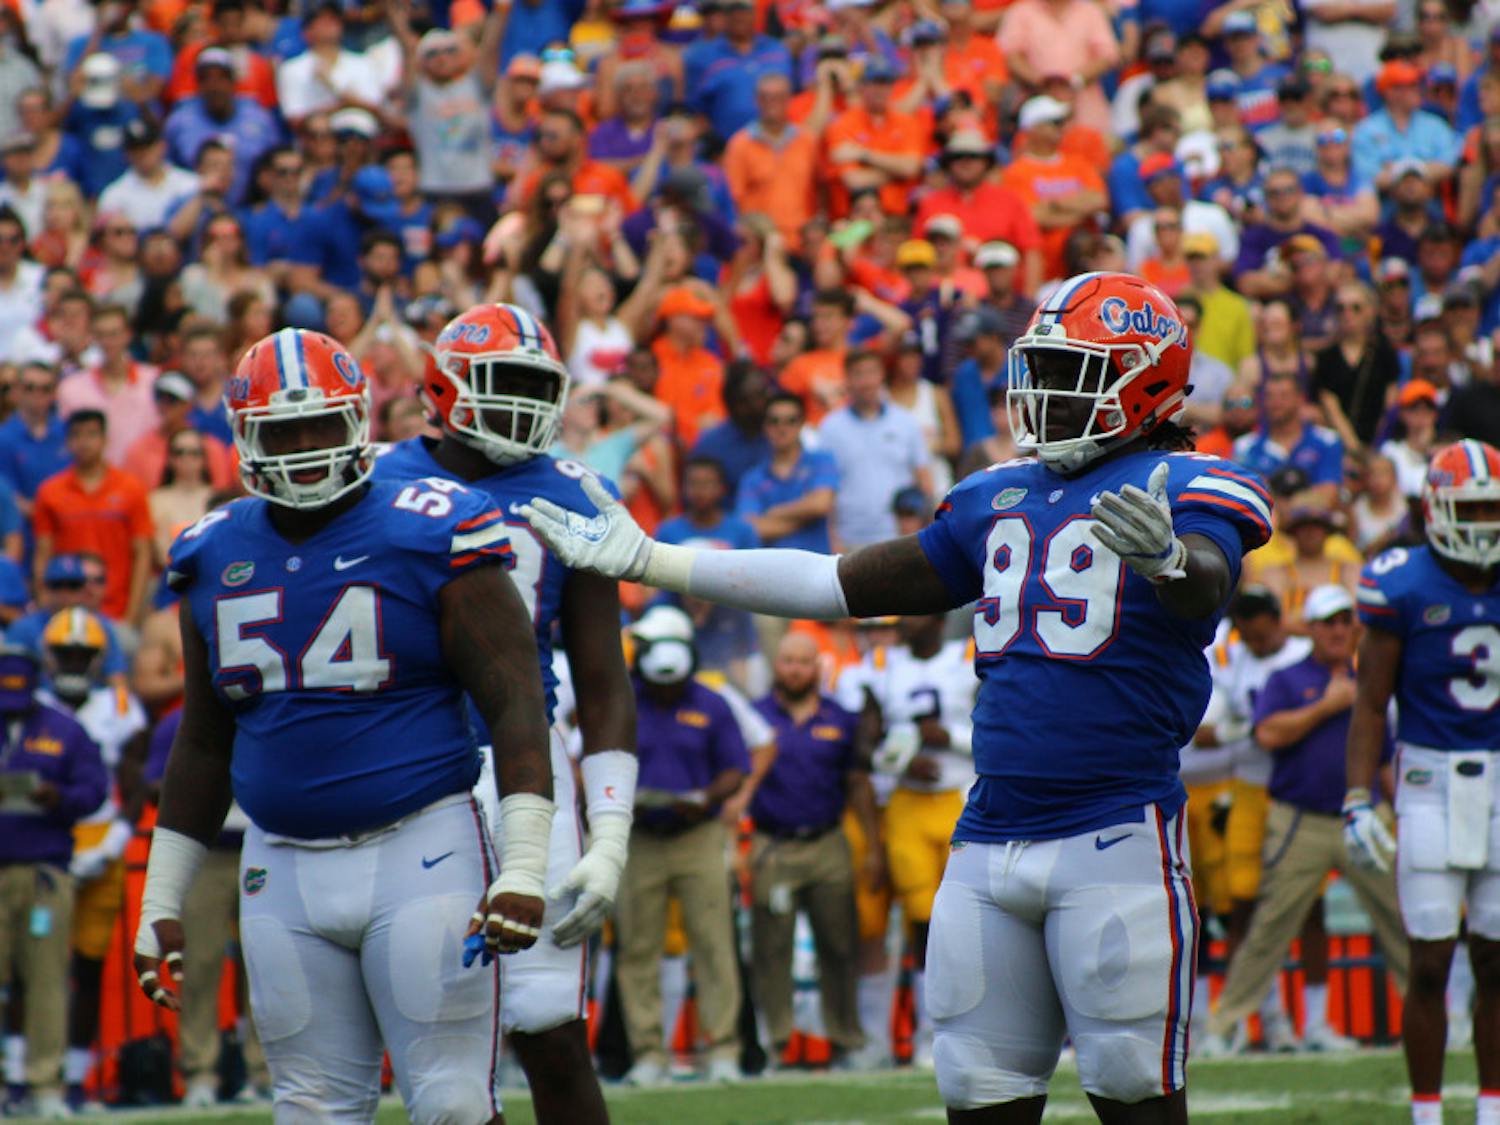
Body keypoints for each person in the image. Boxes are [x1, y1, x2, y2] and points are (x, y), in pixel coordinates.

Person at [521, 272, 1274, 1121]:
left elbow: (1208, 584)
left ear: (1144, 380)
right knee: (976, 1097)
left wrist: (1173, 561)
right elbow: (834, 581)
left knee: (1137, 1099)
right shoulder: (998, 494)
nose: (1045, 391)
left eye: (1075, 370)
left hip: (1117, 832)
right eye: (1045, 367)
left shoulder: (1192, 483)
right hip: (986, 840)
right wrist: (654, 559)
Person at [130, 328, 557, 1124]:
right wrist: (163, 896)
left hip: (422, 847)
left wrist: (524, 863)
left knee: (455, 1106)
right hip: (278, 864)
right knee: (311, 1111)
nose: (301, 448)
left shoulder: (435, 524)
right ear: (244, 439)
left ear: (358, 421)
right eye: (281, 431)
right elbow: (203, 737)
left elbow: (514, 701)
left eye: (321, 425)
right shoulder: (209, 551)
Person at [374, 302, 638, 1125]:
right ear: (445, 388)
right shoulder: (374, 480)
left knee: (550, 1027)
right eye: (504, 383)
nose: (524, 404)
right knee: (438, 1039)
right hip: (409, 768)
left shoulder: (575, 490)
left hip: (522, 766)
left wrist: (612, 830)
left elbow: (601, 678)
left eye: (536, 385)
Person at [1343, 440, 1500, 1125]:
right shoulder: (1401, 581)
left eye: (1494, 507)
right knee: (1431, 960)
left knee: (1497, 962)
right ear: (1435, 509)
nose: (1485, 522)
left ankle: (1493, 1108)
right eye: (1472, 508)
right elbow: (1371, 700)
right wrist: (1356, 796)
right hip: (1431, 780)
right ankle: (1427, 1113)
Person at [1203, 585, 1409, 1053]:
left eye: (1344, 621)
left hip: (1364, 814)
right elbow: (1268, 734)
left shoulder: (1372, 679)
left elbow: (1383, 759)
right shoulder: (1288, 678)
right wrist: (1327, 706)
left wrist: (1400, 814)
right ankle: (1226, 1025)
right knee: (1269, 927)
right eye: (1328, 622)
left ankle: (1432, 1016)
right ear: (1311, 629)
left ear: (1355, 626)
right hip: (1301, 820)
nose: (1337, 630)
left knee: (1401, 921)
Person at [614, 606, 749, 1086]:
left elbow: (736, 766)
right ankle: (649, 1053)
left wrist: (707, 797)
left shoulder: (712, 703)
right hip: (641, 836)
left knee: (713, 943)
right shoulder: (624, 699)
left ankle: (723, 1050)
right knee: (638, 947)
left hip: (698, 834)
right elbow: (597, 758)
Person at [850, 612, 977, 1069]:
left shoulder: (970, 657)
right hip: (908, 804)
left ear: (941, 616)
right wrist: (901, 762)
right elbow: (862, 747)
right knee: (923, 924)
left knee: (974, 923)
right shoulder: (881, 665)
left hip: (963, 798)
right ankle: (930, 1034)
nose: (905, 619)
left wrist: (953, 740)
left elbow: (1007, 729)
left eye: (917, 610)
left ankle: (979, 1033)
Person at [750, 631, 881, 1068]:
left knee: (840, 943)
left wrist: (873, 846)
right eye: (787, 660)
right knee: (772, 947)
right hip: (773, 843)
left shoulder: (840, 718)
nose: (794, 669)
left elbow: (858, 784)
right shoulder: (755, 717)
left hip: (828, 842)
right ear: (776, 664)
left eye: (803, 661)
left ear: (818, 667)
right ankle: (777, 1042)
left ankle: (846, 1039)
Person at [35, 607, 147, 1110]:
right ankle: (29, 1075)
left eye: (82, 654)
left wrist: (115, 841)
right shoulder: (28, 705)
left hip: (101, 842)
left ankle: (77, 1076)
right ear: (49, 656)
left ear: (100, 658)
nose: (74, 661)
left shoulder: (119, 706)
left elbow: (136, 781)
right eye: (66, 653)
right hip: (44, 847)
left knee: (89, 966)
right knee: (31, 969)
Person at [0, 645, 106, 1120]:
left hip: (43, 870)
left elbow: (94, 790)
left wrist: (56, 796)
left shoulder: (63, 729)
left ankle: (45, 1085)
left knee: (45, 982)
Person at [32, 410, 153, 626]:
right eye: (76, 435)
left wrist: (131, 616)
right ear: (68, 441)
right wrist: (44, 602)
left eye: (91, 434)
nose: (84, 442)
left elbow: (142, 554)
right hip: (64, 611)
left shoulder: (131, 488)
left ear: (105, 440)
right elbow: (43, 552)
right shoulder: (50, 491)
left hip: (116, 611)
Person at [818, 349, 932, 552]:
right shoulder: (830, 427)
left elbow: (924, 481)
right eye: (858, 374)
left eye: (871, 372)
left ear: (882, 376)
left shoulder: (905, 421)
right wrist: (832, 540)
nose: (866, 381)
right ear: (847, 380)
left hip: (899, 538)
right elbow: (825, 490)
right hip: (849, 540)